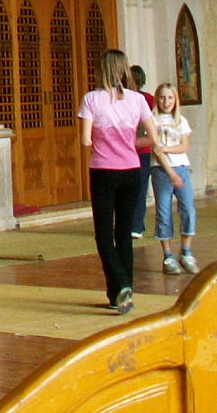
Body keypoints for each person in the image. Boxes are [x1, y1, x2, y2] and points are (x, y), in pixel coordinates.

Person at [78, 49, 170, 315]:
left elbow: (85, 140)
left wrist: (105, 142)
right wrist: (127, 142)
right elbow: (153, 138)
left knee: (104, 234)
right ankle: (120, 294)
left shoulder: (91, 99)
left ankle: (120, 287)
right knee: (124, 235)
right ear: (124, 70)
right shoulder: (137, 99)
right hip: (131, 169)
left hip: (104, 170)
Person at [151, 82, 196, 275]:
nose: (166, 101)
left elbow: (184, 147)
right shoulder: (152, 120)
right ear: (157, 99)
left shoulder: (181, 121)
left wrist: (167, 148)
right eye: (162, 97)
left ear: (175, 99)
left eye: (170, 97)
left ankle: (186, 251)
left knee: (188, 209)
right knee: (164, 212)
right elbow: (156, 149)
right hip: (162, 170)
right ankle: (167, 255)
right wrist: (170, 173)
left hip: (182, 167)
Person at [129, 64, 157, 239]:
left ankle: (136, 225)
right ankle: (134, 223)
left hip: (142, 150)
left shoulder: (148, 99)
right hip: (127, 150)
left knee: (140, 189)